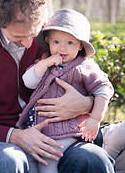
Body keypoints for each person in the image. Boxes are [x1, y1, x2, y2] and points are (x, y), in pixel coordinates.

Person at [0, 0, 115, 173]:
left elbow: (93, 80)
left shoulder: (54, 38)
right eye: (18, 36)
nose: (28, 44)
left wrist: (86, 103)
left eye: (34, 33)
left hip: (56, 133)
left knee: (93, 159)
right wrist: (14, 135)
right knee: (9, 160)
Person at [19, 9, 114, 173]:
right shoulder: (45, 62)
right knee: (29, 162)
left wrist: (95, 118)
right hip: (38, 131)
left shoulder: (83, 67)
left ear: (80, 46)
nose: (62, 48)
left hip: (63, 135)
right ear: (48, 40)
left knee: (48, 163)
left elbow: (103, 89)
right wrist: (45, 63)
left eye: (69, 43)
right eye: (56, 42)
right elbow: (28, 81)